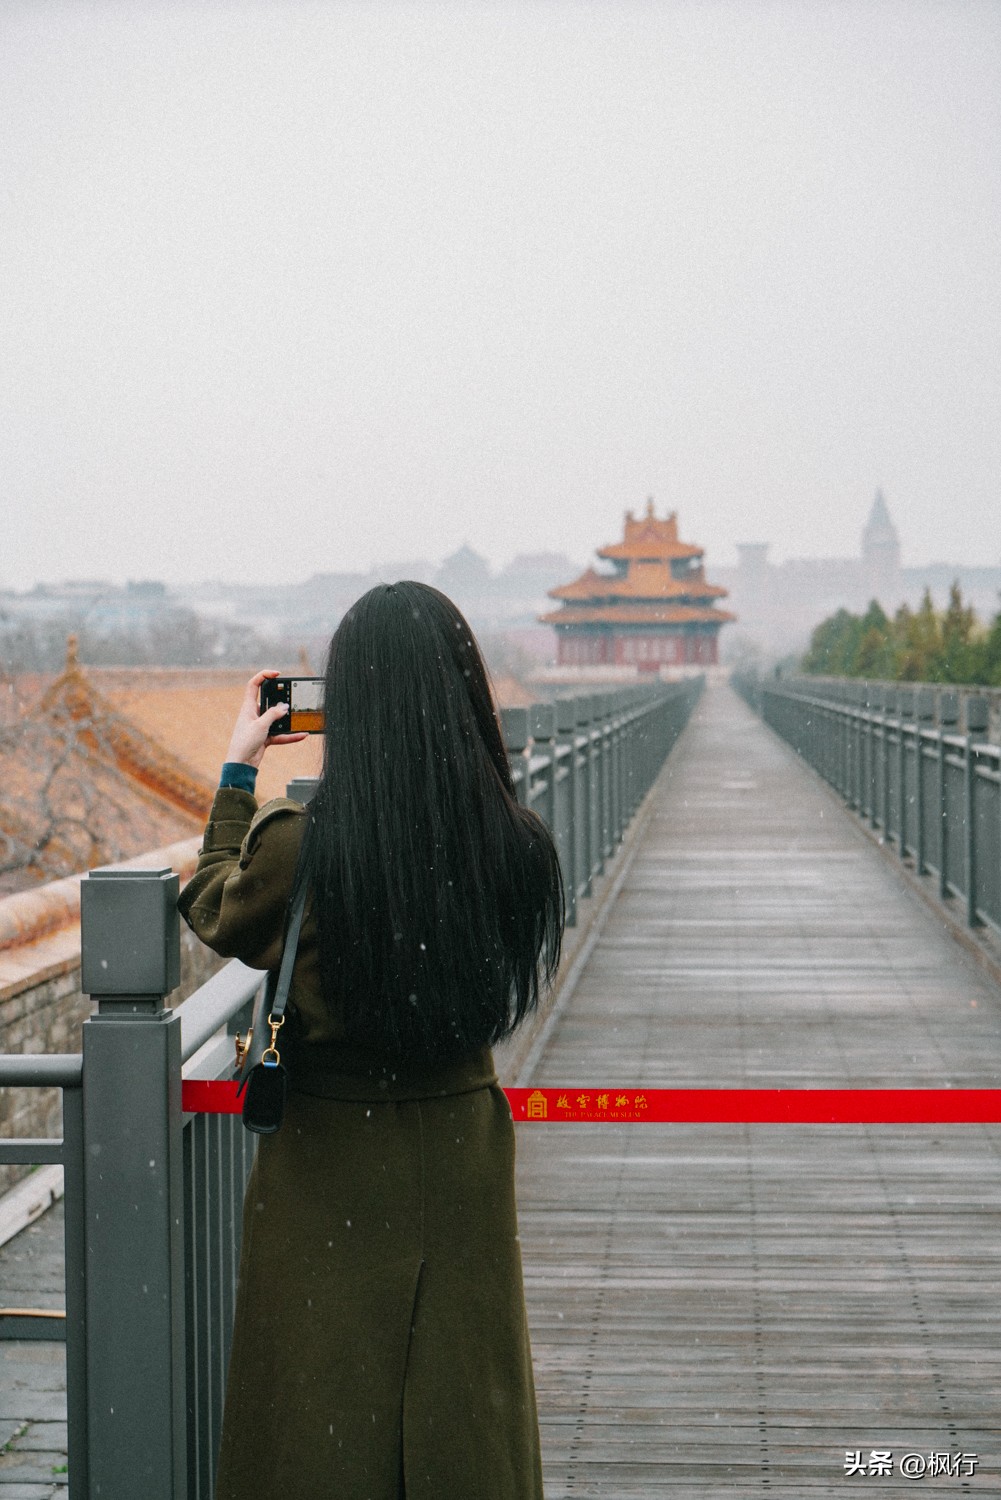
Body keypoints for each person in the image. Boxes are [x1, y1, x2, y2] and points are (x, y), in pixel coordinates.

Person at [178, 581, 564, 1500]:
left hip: (327, 1152)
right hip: (459, 1144)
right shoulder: (514, 847)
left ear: (346, 704)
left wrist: (240, 771)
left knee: (311, 1402)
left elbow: (214, 908)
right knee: (465, 1396)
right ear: (463, 697)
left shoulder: (301, 846)